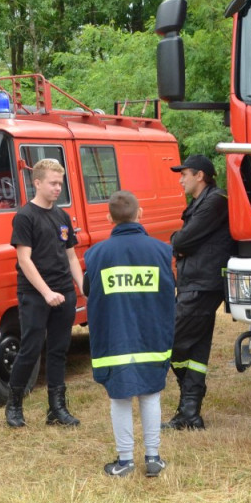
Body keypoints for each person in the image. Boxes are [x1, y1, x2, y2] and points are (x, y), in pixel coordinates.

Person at [83, 190, 175, 478]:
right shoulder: (161, 250)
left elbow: (88, 290)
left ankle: (124, 461)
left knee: (119, 398)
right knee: (151, 394)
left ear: (109, 218)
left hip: (115, 338)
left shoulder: (96, 253)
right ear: (140, 214)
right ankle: (153, 458)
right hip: (151, 337)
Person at [6, 158, 83, 428]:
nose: (57, 188)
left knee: (59, 350)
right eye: (52, 183)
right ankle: (14, 404)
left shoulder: (62, 216)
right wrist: (46, 292)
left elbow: (71, 257)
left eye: (60, 183)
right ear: (36, 183)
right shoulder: (25, 216)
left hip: (64, 292)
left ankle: (57, 409)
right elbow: (24, 260)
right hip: (36, 294)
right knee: (30, 348)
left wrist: (82, 287)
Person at [165, 154, 235, 430]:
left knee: (170, 341)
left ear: (200, 176)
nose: (181, 179)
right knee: (195, 349)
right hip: (194, 282)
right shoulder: (201, 202)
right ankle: (190, 412)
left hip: (202, 284)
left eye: (184, 174)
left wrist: (178, 241)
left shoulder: (215, 200)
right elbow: (183, 241)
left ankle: (190, 406)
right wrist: (180, 243)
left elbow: (182, 239)